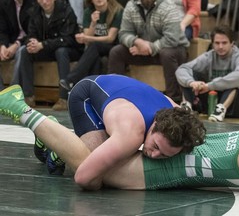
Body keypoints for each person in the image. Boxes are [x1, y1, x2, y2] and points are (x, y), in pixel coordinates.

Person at [0, 86, 239, 202]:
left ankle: (46, 138)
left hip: (176, 155)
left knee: (90, 158)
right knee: (89, 171)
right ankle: (20, 108)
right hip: (160, 167)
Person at [0, 74, 206, 185]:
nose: (154, 154)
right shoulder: (131, 132)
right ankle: (26, 113)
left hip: (116, 91)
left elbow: (194, 129)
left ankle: (53, 134)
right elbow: (84, 178)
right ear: (154, 125)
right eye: (155, 145)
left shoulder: (177, 115)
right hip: (87, 94)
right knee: (88, 165)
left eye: (165, 155)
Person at [108, 0, 189, 103]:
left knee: (167, 53)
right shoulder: (131, 6)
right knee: (116, 52)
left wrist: (149, 48)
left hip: (173, 50)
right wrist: (137, 41)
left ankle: (174, 100)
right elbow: (123, 33)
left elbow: (172, 39)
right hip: (143, 49)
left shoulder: (169, 7)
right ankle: (115, 96)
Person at [15, 0, 83, 110]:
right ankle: (28, 97)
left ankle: (64, 98)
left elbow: (68, 38)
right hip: (46, 48)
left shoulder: (66, 9)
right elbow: (31, 33)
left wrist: (43, 44)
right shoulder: (35, 11)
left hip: (69, 49)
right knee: (25, 51)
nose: (44, 1)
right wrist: (32, 42)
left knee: (61, 51)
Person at [176, 26, 239, 122]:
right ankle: (186, 108)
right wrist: (192, 83)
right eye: (217, 43)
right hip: (213, 99)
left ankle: (220, 110)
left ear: (232, 43)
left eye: (224, 43)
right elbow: (182, 69)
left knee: (234, 81)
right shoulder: (209, 56)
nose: (220, 46)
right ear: (212, 44)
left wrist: (210, 86)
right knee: (190, 74)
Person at [59, 0, 123, 91]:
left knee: (94, 46)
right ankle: (93, 93)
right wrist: (93, 23)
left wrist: (88, 38)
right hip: (95, 48)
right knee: (95, 57)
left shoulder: (117, 11)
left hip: (113, 47)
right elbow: (87, 41)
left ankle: (71, 79)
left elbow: (110, 38)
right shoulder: (89, 12)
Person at [0, 0, 36, 90]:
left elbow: (33, 31)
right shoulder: (5, 2)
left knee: (21, 51)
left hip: (29, 41)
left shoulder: (36, 2)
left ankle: (13, 91)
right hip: (11, 41)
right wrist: (3, 45)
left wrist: (17, 44)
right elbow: (2, 29)